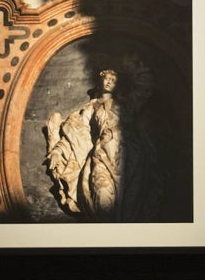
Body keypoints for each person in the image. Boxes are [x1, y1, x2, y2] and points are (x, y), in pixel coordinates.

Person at [44, 59, 163, 222]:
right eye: (107, 78)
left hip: (130, 156)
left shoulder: (127, 103)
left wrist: (129, 66)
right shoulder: (91, 108)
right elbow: (75, 133)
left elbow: (146, 83)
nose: (109, 82)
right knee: (102, 199)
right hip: (102, 154)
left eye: (114, 80)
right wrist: (58, 151)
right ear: (100, 81)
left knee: (130, 205)